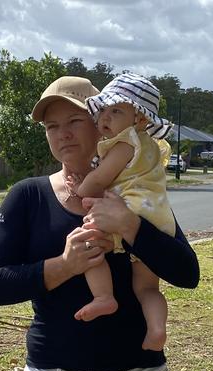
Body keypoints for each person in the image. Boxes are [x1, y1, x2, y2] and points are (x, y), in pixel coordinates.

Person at [0, 75, 199, 371]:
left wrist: (130, 226)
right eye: (51, 127)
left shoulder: (135, 191)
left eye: (73, 121)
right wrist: (63, 264)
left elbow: (187, 273)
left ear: (102, 120)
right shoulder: (28, 196)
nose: (62, 134)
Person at [66, 72, 174, 353]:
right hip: (157, 217)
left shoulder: (125, 143)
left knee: (89, 242)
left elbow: (101, 179)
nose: (105, 117)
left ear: (139, 120)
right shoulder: (150, 144)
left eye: (116, 110)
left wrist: (80, 190)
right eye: (103, 110)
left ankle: (103, 296)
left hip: (130, 209)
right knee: (148, 288)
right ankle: (157, 329)